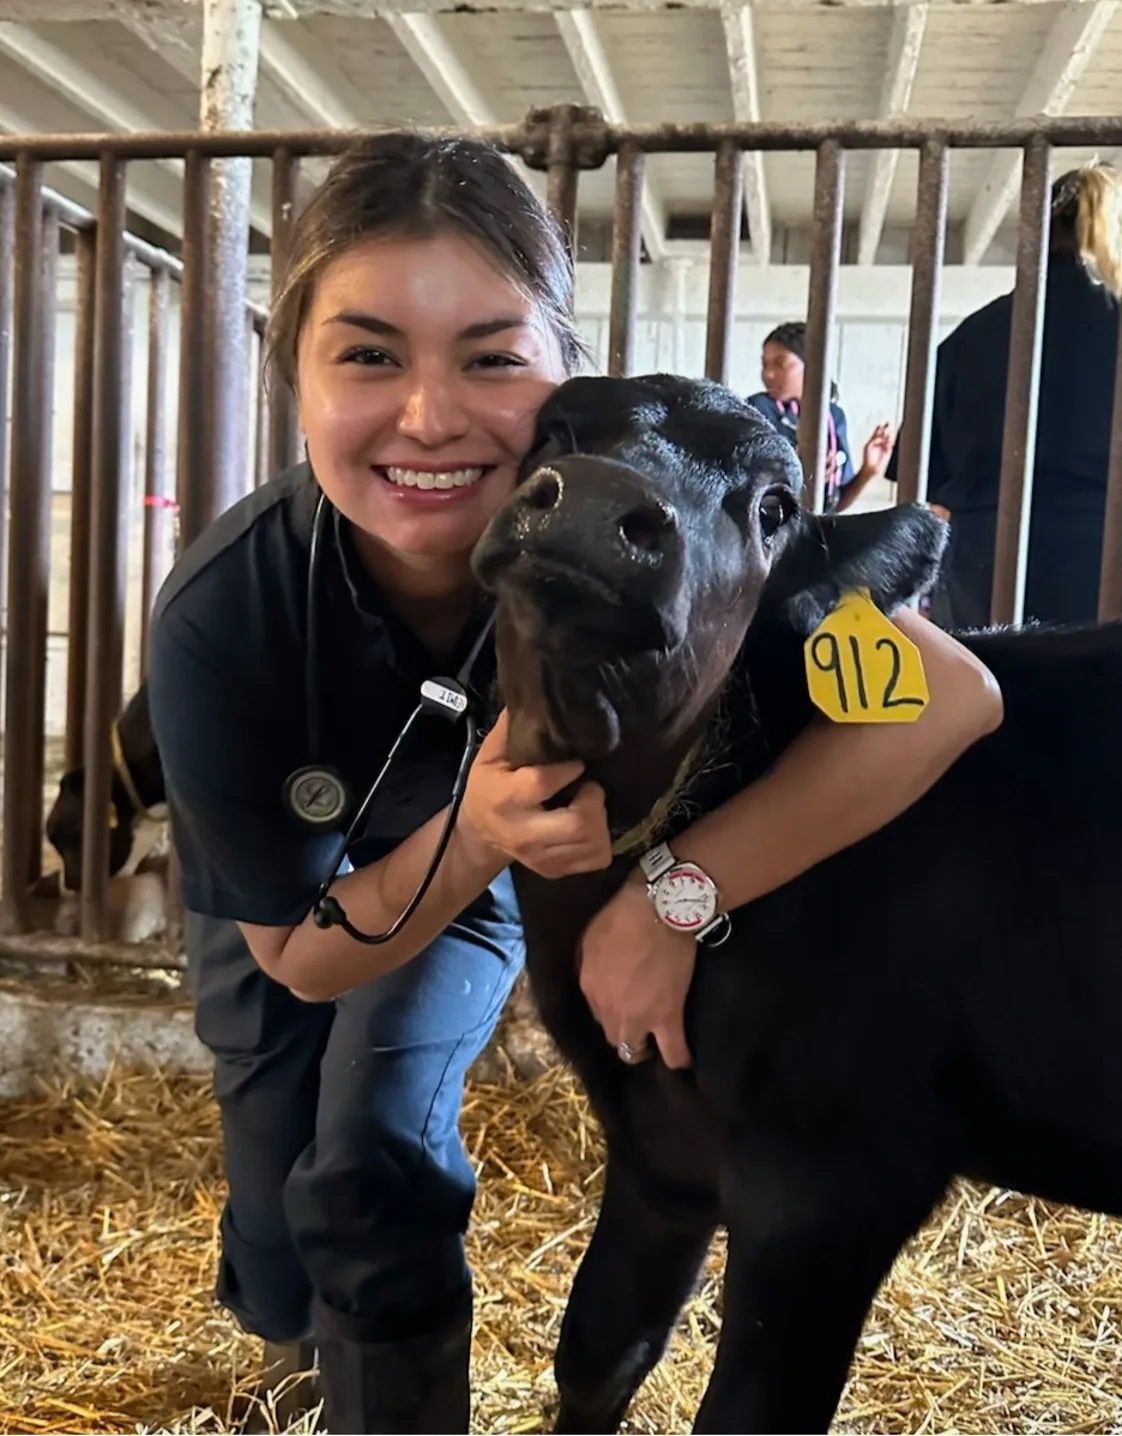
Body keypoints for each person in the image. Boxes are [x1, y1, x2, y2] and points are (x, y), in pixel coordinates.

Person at [145, 131, 1004, 1435]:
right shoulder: (227, 614)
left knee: (370, 1143)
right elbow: (302, 960)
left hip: (487, 849)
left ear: (558, 373)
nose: (430, 416)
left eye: (489, 357)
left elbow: (949, 694)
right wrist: (482, 829)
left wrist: (671, 894)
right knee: (268, 1105)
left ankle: (385, 1392)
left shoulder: (635, 519)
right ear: (295, 376)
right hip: (296, 873)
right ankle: (284, 1343)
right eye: (368, 353)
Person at [886, 160, 1122, 628]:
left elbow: (917, 470)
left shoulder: (969, 337)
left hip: (987, 558)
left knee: (997, 693)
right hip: (1106, 551)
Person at [746, 320, 895, 513]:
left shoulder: (833, 417)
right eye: (764, 364)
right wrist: (796, 476)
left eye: (781, 364)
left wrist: (869, 470)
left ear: (812, 365)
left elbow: (833, 505)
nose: (768, 374)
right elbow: (747, 493)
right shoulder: (755, 410)